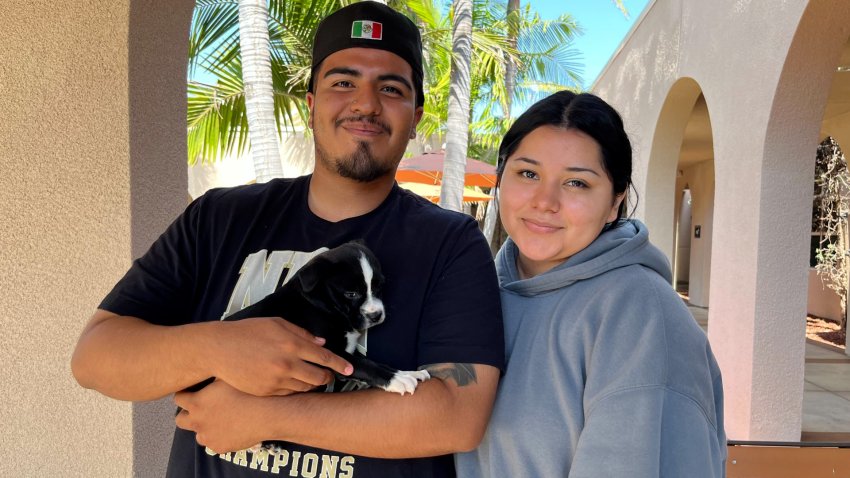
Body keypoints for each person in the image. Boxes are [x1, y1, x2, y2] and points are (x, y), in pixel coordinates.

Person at [71, 2, 504, 477]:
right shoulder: (220, 217)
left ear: (416, 114)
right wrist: (219, 347)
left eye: (391, 88)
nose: (365, 103)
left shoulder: (451, 243)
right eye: (343, 82)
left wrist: (266, 416)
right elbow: (96, 358)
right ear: (311, 102)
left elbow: (458, 417)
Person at [455, 91, 727, 477]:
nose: (545, 201)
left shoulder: (640, 315)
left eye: (577, 183)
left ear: (615, 200)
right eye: (528, 173)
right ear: (500, 180)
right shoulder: (476, 292)